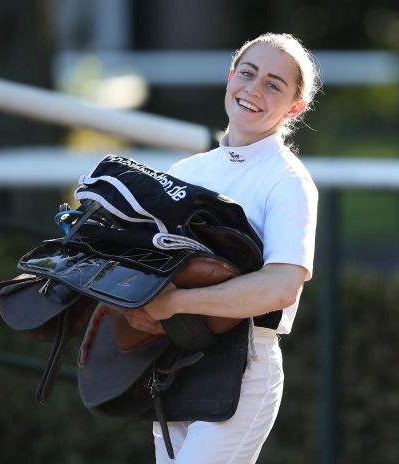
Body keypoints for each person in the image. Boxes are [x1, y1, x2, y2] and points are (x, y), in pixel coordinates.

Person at [125, 32, 320, 463]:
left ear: (295, 107)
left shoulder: (289, 182)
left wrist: (176, 303)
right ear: (230, 77)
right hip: (173, 359)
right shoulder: (186, 171)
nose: (254, 89)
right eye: (247, 73)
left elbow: (281, 288)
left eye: (273, 84)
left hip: (243, 368)